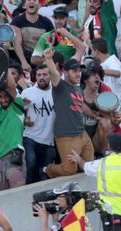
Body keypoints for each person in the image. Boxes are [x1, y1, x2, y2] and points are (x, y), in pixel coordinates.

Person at [42, 47, 94, 178]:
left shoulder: (78, 88)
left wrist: (96, 116)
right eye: (74, 71)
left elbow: (80, 106)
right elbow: (53, 73)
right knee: (69, 170)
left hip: (82, 134)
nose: (78, 74)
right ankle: (48, 169)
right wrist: (48, 58)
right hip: (66, 136)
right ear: (65, 73)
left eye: (79, 71)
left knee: (88, 167)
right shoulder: (60, 86)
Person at [21, 65, 56, 184]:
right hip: (30, 136)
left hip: (49, 140)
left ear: (50, 76)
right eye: (39, 75)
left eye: (45, 75)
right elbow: (20, 113)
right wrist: (25, 120)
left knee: (44, 173)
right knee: (30, 164)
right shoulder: (27, 92)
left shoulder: (56, 92)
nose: (41, 77)